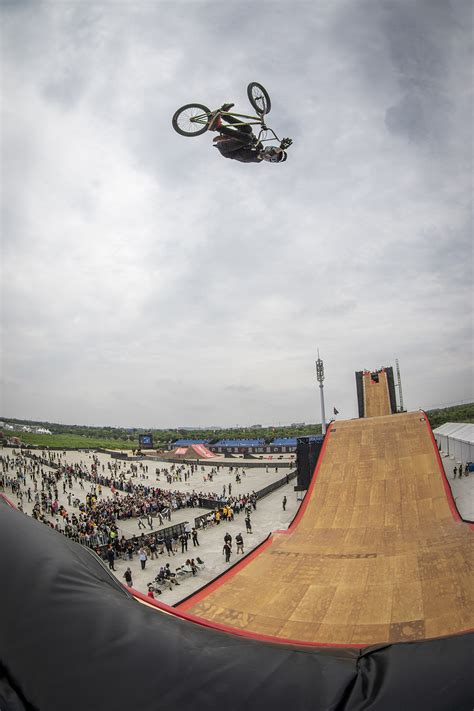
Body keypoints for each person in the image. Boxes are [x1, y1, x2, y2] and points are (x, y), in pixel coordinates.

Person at [209, 105, 291, 164]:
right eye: (275, 150)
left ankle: (217, 127)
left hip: (226, 149)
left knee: (247, 139)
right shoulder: (260, 146)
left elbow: (265, 156)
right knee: (248, 129)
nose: (272, 150)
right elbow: (249, 135)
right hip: (232, 142)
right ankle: (223, 115)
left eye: (274, 154)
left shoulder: (258, 158)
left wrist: (281, 148)